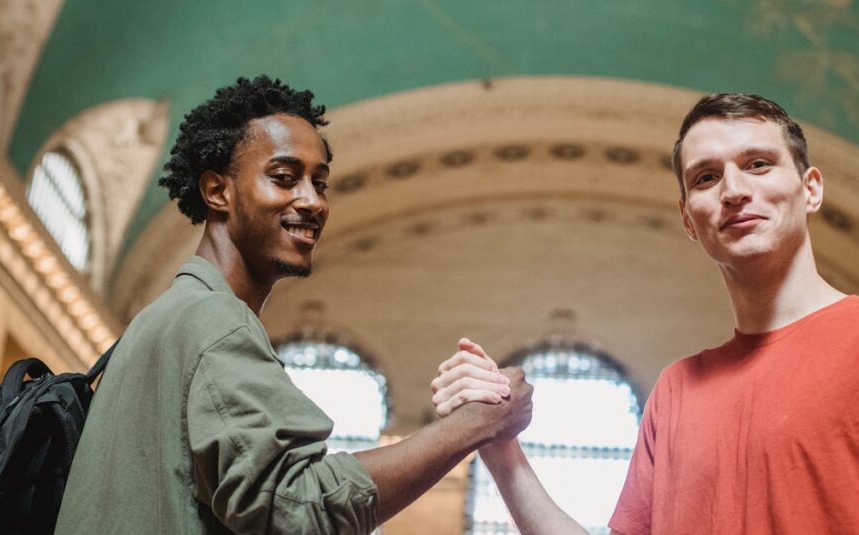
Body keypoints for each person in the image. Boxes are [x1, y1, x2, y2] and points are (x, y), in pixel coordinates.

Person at [430, 93, 859, 534]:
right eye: (706, 176)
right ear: (687, 217)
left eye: (758, 164)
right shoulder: (677, 390)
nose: (733, 190)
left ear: (811, 189)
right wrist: (500, 449)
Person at [55, 76, 533, 534]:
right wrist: (472, 426)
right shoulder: (213, 320)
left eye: (319, 183)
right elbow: (296, 510)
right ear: (217, 191)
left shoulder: (163, 319)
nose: (312, 202)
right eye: (284, 178)